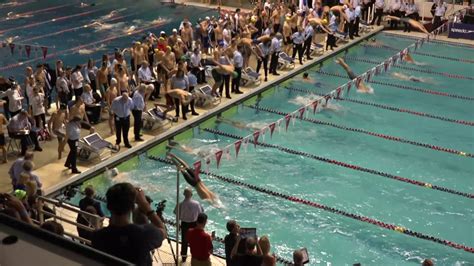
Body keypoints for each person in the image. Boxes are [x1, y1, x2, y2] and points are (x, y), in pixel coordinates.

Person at [92, 183, 166, 265]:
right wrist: (145, 205)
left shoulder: (97, 237)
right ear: (133, 207)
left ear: (108, 206)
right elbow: (163, 231)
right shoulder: (145, 234)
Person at [174, 188, 204, 262]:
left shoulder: (180, 204)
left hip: (184, 224)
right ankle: (195, 256)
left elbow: (176, 214)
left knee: (184, 242)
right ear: (191, 194)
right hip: (194, 224)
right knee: (194, 241)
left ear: (184, 194)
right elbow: (201, 213)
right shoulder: (196, 204)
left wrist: (177, 225)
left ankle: (184, 258)